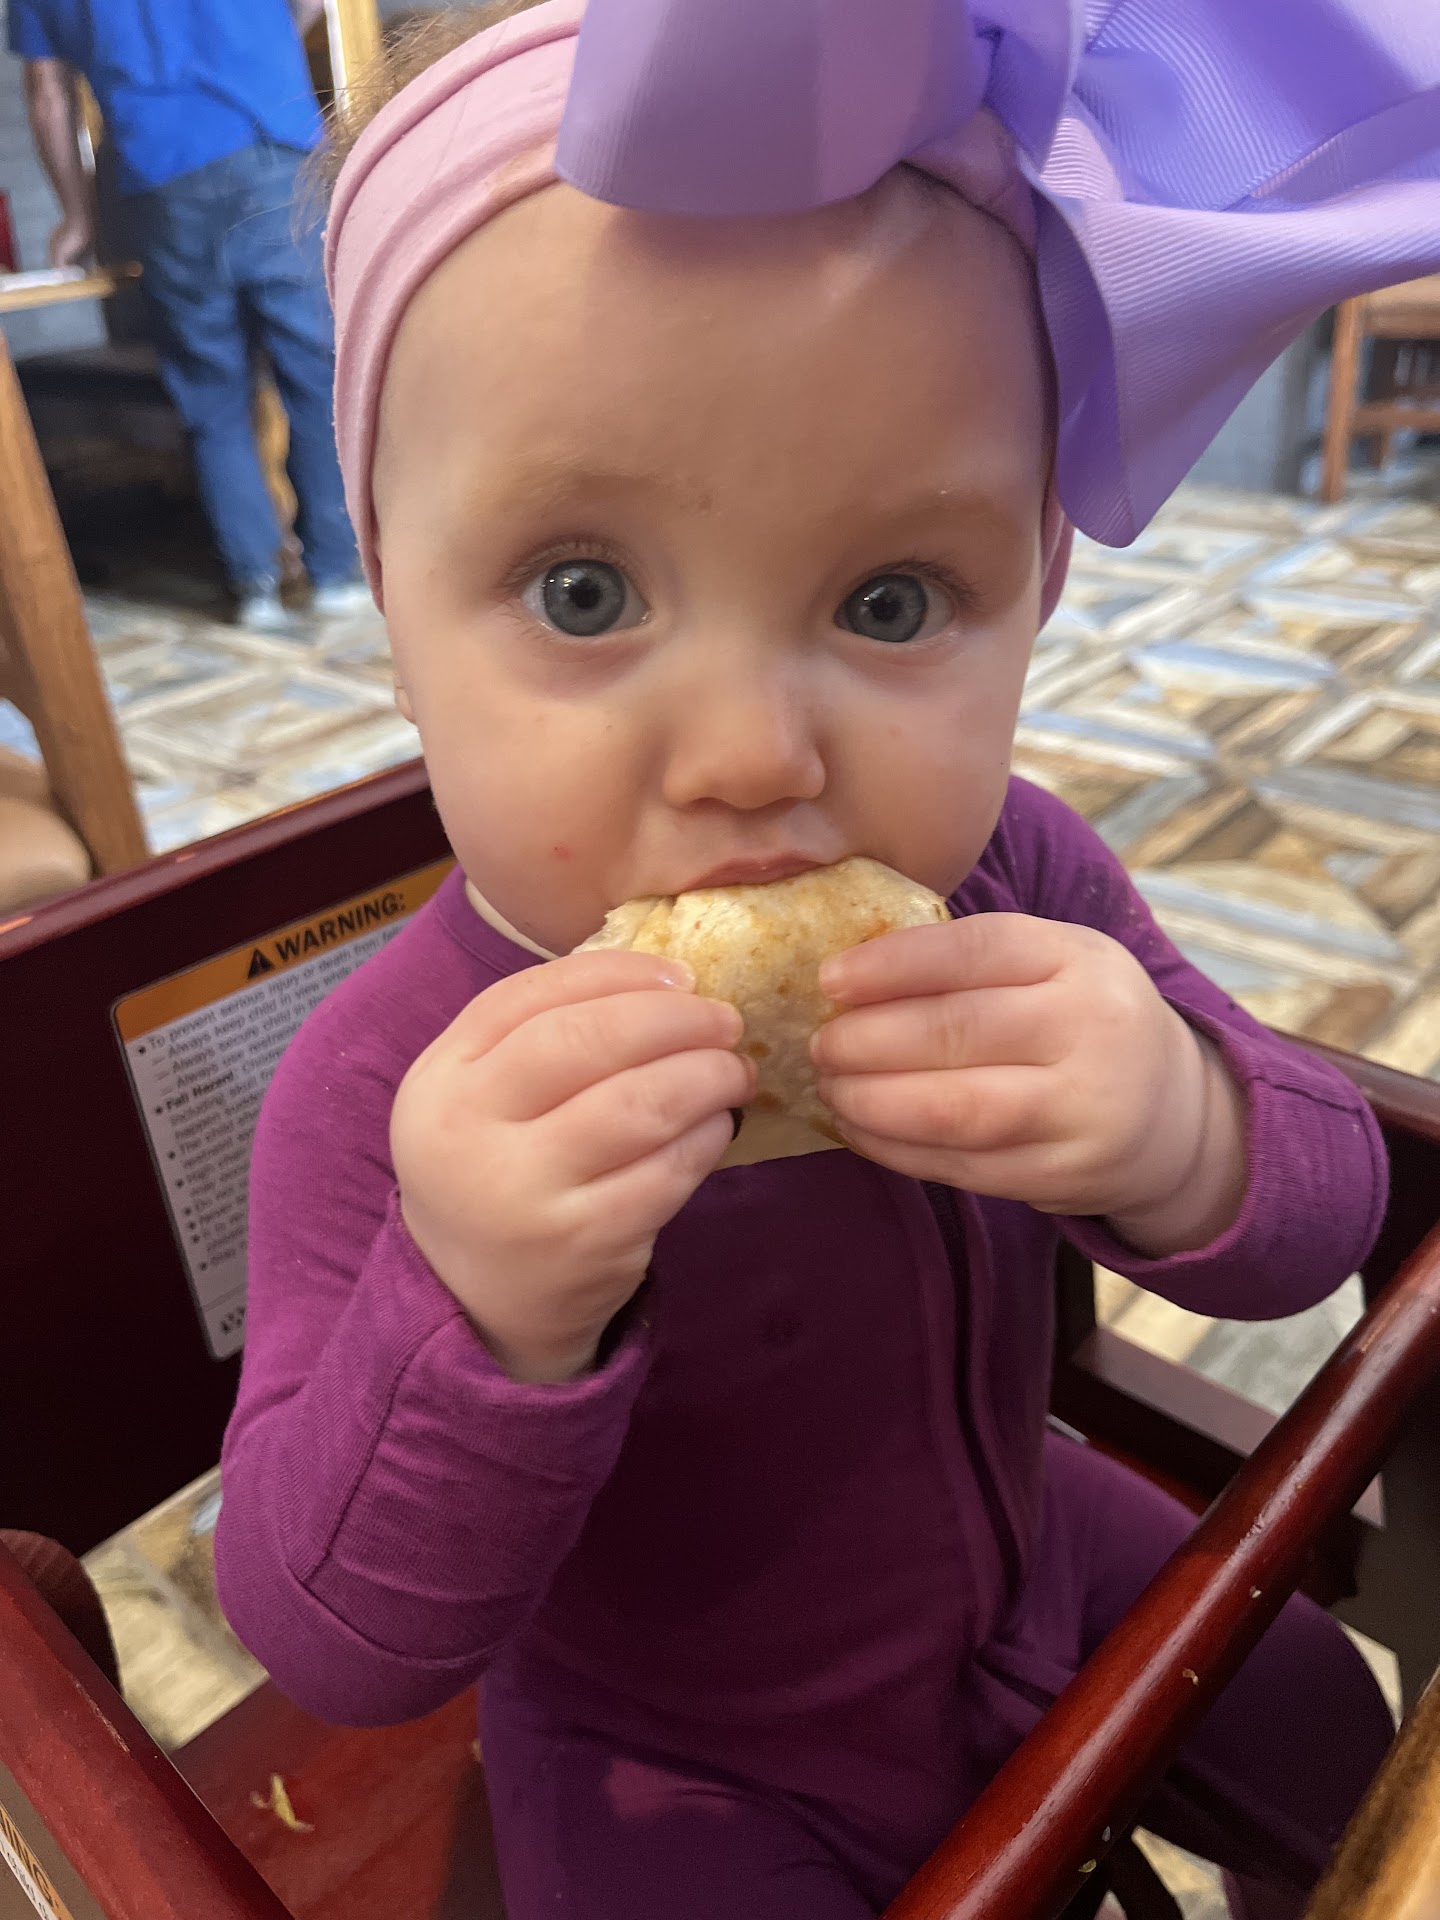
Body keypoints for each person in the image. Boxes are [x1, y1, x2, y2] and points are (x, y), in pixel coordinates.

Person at [215, 2, 1440, 1915]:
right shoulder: (383, 1083)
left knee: (1338, 1738)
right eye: (584, 592)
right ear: (394, 599)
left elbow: (1330, 1209)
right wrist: (480, 1312)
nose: (752, 759)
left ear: (1038, 580)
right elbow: (327, 1640)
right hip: (672, 1752)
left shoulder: (1020, 875)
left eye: (892, 599)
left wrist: (1183, 1128)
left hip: (1037, 1563)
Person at [10, 0, 370, 629]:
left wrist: (77, 215)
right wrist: (258, 52)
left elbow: (47, 93)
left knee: (211, 392)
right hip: (273, 144)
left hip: (162, 173)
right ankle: (337, 574)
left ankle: (256, 584)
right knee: (318, 376)